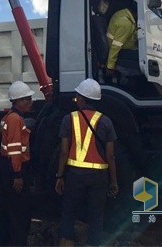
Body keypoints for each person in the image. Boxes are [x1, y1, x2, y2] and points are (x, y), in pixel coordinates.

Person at [55, 78, 118, 246]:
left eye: (77, 96)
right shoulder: (106, 121)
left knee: (69, 212)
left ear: (82, 98)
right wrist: (114, 181)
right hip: (99, 177)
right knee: (96, 216)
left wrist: (60, 176)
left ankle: (67, 243)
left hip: (75, 175)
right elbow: (111, 156)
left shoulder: (69, 119)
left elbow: (63, 152)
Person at [0, 81, 34, 246]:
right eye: (26, 99)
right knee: (18, 211)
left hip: (6, 167)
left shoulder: (9, 117)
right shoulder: (15, 119)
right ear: (17, 101)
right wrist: (17, 175)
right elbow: (15, 150)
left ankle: (4, 241)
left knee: (6, 209)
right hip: (13, 169)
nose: (30, 102)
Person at [106, 0, 139, 80]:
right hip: (120, 53)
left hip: (125, 49)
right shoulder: (125, 23)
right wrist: (110, 66)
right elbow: (115, 46)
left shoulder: (124, 14)